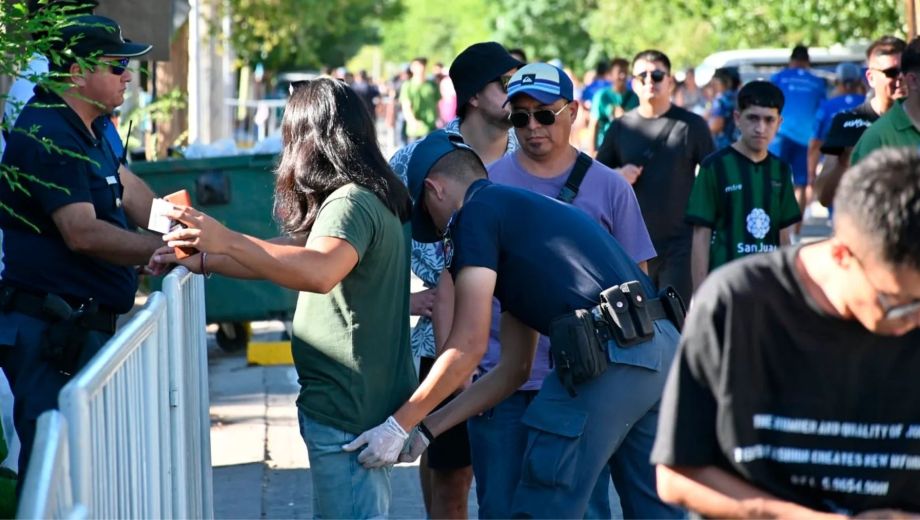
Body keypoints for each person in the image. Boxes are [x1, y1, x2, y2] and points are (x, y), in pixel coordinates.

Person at [347, 130, 686, 519]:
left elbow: (468, 346)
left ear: (434, 189)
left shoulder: (472, 214)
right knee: (656, 508)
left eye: (429, 217)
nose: (438, 231)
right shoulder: (522, 216)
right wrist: (426, 429)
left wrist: (396, 423)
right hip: (660, 349)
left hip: (611, 356)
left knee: (544, 501)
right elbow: (513, 369)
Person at [158, 79, 417, 518]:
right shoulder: (369, 194)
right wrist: (208, 257)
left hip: (347, 411)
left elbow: (317, 270)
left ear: (310, 138)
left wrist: (226, 239)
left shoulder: (351, 201)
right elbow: (288, 253)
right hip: (352, 405)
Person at [653, 146, 920, 517]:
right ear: (842, 254)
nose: (912, 320)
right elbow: (678, 474)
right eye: (899, 302)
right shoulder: (737, 304)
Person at [476, 62, 656, 518]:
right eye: (520, 117)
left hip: (588, 382)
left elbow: (638, 286)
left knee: (582, 509)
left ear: (573, 111)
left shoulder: (610, 188)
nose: (532, 127)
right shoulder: (488, 188)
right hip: (502, 381)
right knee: (501, 506)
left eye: (544, 114)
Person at [0, 15, 160, 491]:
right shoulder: (48, 133)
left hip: (78, 327)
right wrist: (158, 250)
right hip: (51, 333)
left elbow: (130, 191)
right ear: (76, 73)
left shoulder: (87, 127)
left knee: (88, 474)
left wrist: (191, 236)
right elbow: (82, 233)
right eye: (116, 66)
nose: (128, 76)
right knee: (55, 475)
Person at [387, 41, 523, 519]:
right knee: (451, 481)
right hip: (442, 347)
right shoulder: (419, 158)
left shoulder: (533, 150)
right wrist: (400, 301)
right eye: (505, 84)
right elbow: (371, 239)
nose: (518, 92)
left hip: (520, 346)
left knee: (513, 483)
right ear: (472, 96)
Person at [597, 49, 715, 303]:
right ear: (633, 83)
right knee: (641, 328)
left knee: (677, 321)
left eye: (658, 75)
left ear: (670, 81)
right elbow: (597, 179)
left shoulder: (692, 125)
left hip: (680, 243)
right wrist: (619, 174)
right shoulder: (620, 127)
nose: (650, 81)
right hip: (632, 245)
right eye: (643, 76)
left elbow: (712, 178)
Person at [686, 81, 802, 293]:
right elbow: (701, 235)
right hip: (725, 289)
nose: (760, 128)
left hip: (770, 288)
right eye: (753, 118)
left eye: (769, 120)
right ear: (738, 118)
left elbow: (785, 236)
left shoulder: (782, 170)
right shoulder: (714, 167)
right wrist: (700, 294)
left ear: (779, 122)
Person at [815, 36, 906, 207]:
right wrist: (845, 161)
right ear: (870, 78)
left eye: (905, 70)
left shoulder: (915, 120)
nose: (900, 78)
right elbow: (824, 197)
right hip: (866, 228)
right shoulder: (848, 122)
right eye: (891, 72)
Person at [769, 45, 827, 220]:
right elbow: (821, 110)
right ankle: (795, 228)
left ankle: (775, 221)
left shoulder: (778, 78)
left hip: (780, 136)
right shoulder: (817, 83)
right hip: (806, 139)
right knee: (801, 184)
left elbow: (769, 103)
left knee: (774, 179)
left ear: (791, 61)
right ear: (808, 63)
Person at [850, 37, 920, 165]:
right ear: (913, 80)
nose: (899, 77)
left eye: (901, 70)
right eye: (891, 72)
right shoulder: (877, 138)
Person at [806, 63, 865, 189]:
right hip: (865, 172)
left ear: (837, 82)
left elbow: (815, 144)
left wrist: (811, 174)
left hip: (835, 173)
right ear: (859, 82)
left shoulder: (827, 107)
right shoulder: (871, 104)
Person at [587, 58, 638, 155]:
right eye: (619, 72)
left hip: (627, 148)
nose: (623, 76)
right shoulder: (601, 96)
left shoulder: (635, 97)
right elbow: (594, 124)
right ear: (611, 74)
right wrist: (592, 152)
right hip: (604, 147)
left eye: (625, 72)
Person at [400, 57, 439, 143]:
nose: (421, 68)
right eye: (418, 65)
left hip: (431, 128)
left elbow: (436, 104)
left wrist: (439, 119)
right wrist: (412, 121)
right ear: (412, 68)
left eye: (423, 65)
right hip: (415, 131)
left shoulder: (432, 85)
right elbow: (406, 106)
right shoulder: (407, 86)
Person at [708, 68, 739, 149]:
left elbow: (716, 126)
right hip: (738, 144)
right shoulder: (738, 96)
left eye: (714, 83)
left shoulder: (721, 100)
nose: (712, 87)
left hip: (723, 146)